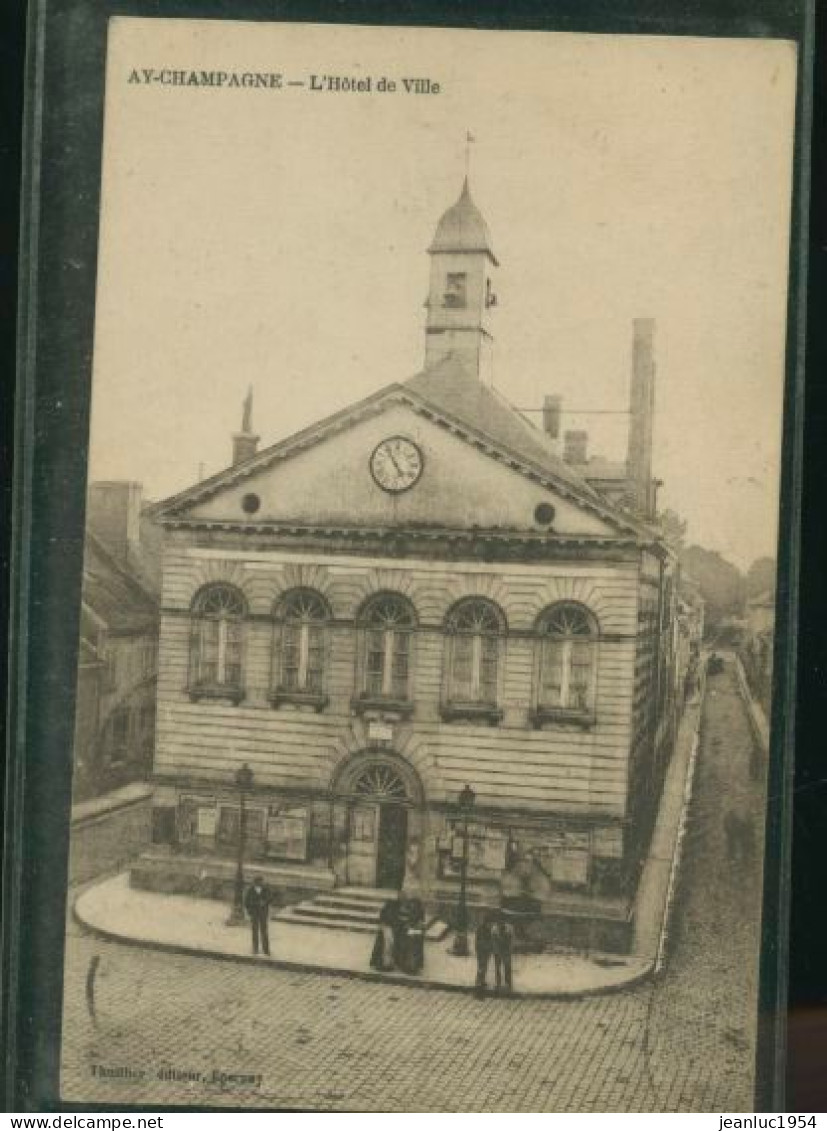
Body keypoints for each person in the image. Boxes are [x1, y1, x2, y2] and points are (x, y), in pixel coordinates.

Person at [244, 875, 273, 956]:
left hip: (263, 914)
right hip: (254, 914)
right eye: (259, 882)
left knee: (264, 931)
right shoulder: (250, 890)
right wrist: (252, 909)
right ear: (255, 883)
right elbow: (246, 902)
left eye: (262, 882)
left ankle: (266, 949)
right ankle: (255, 948)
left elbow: (270, 898)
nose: (261, 883)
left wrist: (265, 902)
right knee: (255, 931)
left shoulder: (266, 889)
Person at [398, 897, 425, 975]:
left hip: (414, 931)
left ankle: (410, 967)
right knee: (415, 950)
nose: (412, 905)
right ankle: (413, 967)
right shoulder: (420, 911)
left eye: (413, 904)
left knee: (411, 949)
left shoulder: (415, 911)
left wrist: (407, 924)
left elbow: (412, 920)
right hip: (417, 932)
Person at [370, 899, 398, 972]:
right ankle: (384, 964)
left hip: (387, 929)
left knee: (388, 947)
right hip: (386, 930)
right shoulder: (388, 913)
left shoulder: (386, 912)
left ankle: (386, 964)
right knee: (387, 947)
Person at [491, 911, 515, 995]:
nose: (500, 922)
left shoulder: (509, 928)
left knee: (507, 968)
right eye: (499, 920)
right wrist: (495, 950)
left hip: (506, 951)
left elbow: (512, 940)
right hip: (497, 951)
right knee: (498, 968)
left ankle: (508, 984)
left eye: (502, 920)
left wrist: (510, 949)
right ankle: (498, 983)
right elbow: (493, 941)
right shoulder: (494, 929)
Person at [474, 910, 496, 997]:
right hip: (481, 951)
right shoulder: (481, 929)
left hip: (486, 951)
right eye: (490, 923)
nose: (491, 925)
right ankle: (478, 985)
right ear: (487, 922)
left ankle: (481, 982)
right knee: (481, 968)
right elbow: (480, 942)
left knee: (484, 967)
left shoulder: (488, 929)